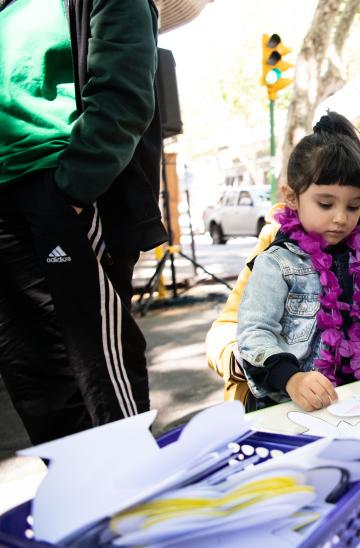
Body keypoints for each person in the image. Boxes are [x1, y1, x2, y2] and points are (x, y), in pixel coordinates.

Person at [0, 0, 164, 444]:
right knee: (36, 384)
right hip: (7, 202)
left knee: (97, 383)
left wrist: (72, 192)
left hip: (58, 190)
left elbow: (124, 96)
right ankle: (79, 503)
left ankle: (129, 500)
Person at [206, 120, 360, 404]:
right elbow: (234, 327)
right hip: (282, 402)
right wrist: (275, 370)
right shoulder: (280, 247)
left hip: (354, 399)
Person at [236, 112, 360, 412]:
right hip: (287, 408)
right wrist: (291, 379)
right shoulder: (276, 263)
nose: (341, 218)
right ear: (292, 197)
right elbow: (254, 332)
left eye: (354, 206)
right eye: (325, 204)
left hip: (352, 402)